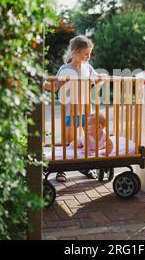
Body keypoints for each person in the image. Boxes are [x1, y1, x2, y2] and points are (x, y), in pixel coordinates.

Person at [44, 35, 106, 182]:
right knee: (69, 141)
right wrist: (43, 83)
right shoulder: (65, 69)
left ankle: (87, 167)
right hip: (70, 111)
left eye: (90, 54)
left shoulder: (88, 68)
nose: (88, 57)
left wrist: (101, 77)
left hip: (86, 110)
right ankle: (62, 170)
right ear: (75, 52)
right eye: (86, 54)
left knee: (89, 138)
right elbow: (55, 87)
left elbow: (97, 81)